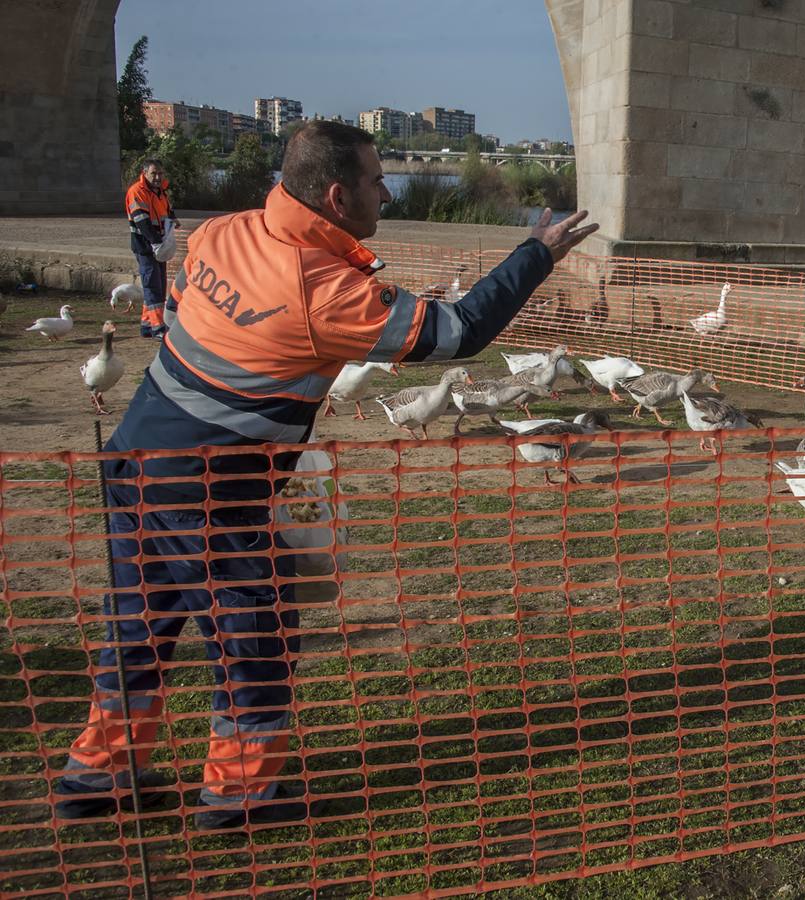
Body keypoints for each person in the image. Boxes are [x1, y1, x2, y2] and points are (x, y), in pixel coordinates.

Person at [55, 120, 597, 830]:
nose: (386, 189)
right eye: (378, 179)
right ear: (339, 196)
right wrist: (536, 253)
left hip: (133, 463)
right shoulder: (319, 289)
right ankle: (239, 797)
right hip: (212, 491)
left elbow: (194, 313)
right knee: (256, 630)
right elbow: (459, 332)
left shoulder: (226, 231)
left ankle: (96, 778)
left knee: (140, 628)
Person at [125, 159, 179, 338]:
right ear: (145, 173)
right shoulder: (137, 192)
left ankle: (147, 325)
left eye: (160, 173)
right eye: (154, 173)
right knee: (152, 285)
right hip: (146, 246)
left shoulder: (161, 192)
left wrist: (173, 220)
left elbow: (167, 212)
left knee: (159, 284)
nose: (157, 177)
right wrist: (155, 242)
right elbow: (141, 221)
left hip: (159, 245)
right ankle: (158, 327)